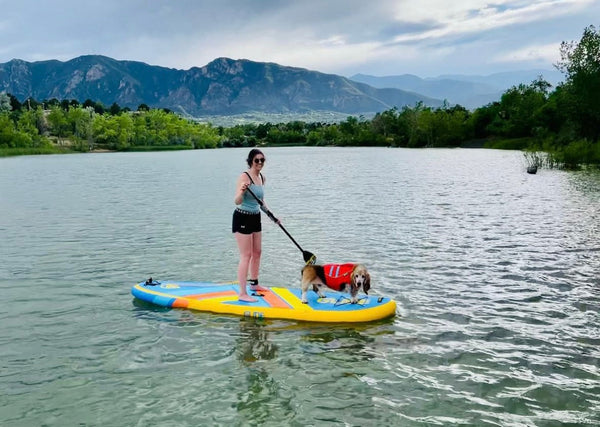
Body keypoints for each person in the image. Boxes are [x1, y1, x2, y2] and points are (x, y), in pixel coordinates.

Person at [232, 149, 270, 302]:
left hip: (256, 217)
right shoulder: (244, 176)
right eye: (257, 160)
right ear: (250, 161)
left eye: (262, 160)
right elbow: (237, 201)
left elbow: (260, 202)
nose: (260, 163)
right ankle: (242, 293)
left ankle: (254, 284)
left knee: (258, 252)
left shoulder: (261, 177)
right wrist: (242, 191)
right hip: (242, 218)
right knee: (246, 255)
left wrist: (272, 215)